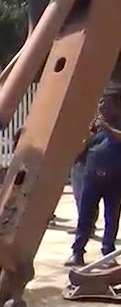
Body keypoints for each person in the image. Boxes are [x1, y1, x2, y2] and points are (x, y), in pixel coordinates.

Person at [66, 94, 121, 267]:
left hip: (115, 180)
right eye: (100, 103)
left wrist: (106, 128)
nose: (101, 106)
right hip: (92, 178)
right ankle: (77, 252)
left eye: (106, 103)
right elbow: (84, 151)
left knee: (111, 218)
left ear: (117, 108)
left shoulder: (114, 125)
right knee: (85, 216)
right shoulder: (96, 128)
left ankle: (108, 254)